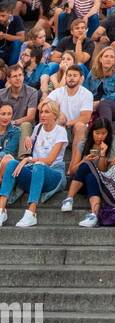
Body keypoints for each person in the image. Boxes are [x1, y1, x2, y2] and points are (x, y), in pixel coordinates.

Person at [0, 97, 67, 228]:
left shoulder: (61, 131)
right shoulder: (38, 128)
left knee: (39, 165)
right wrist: (27, 139)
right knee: (12, 164)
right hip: (34, 172)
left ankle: (31, 213)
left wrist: (27, 159)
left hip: (53, 174)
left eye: (47, 112)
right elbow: (30, 143)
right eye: (41, 112)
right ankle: (1, 210)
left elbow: (49, 160)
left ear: (55, 114)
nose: (42, 115)